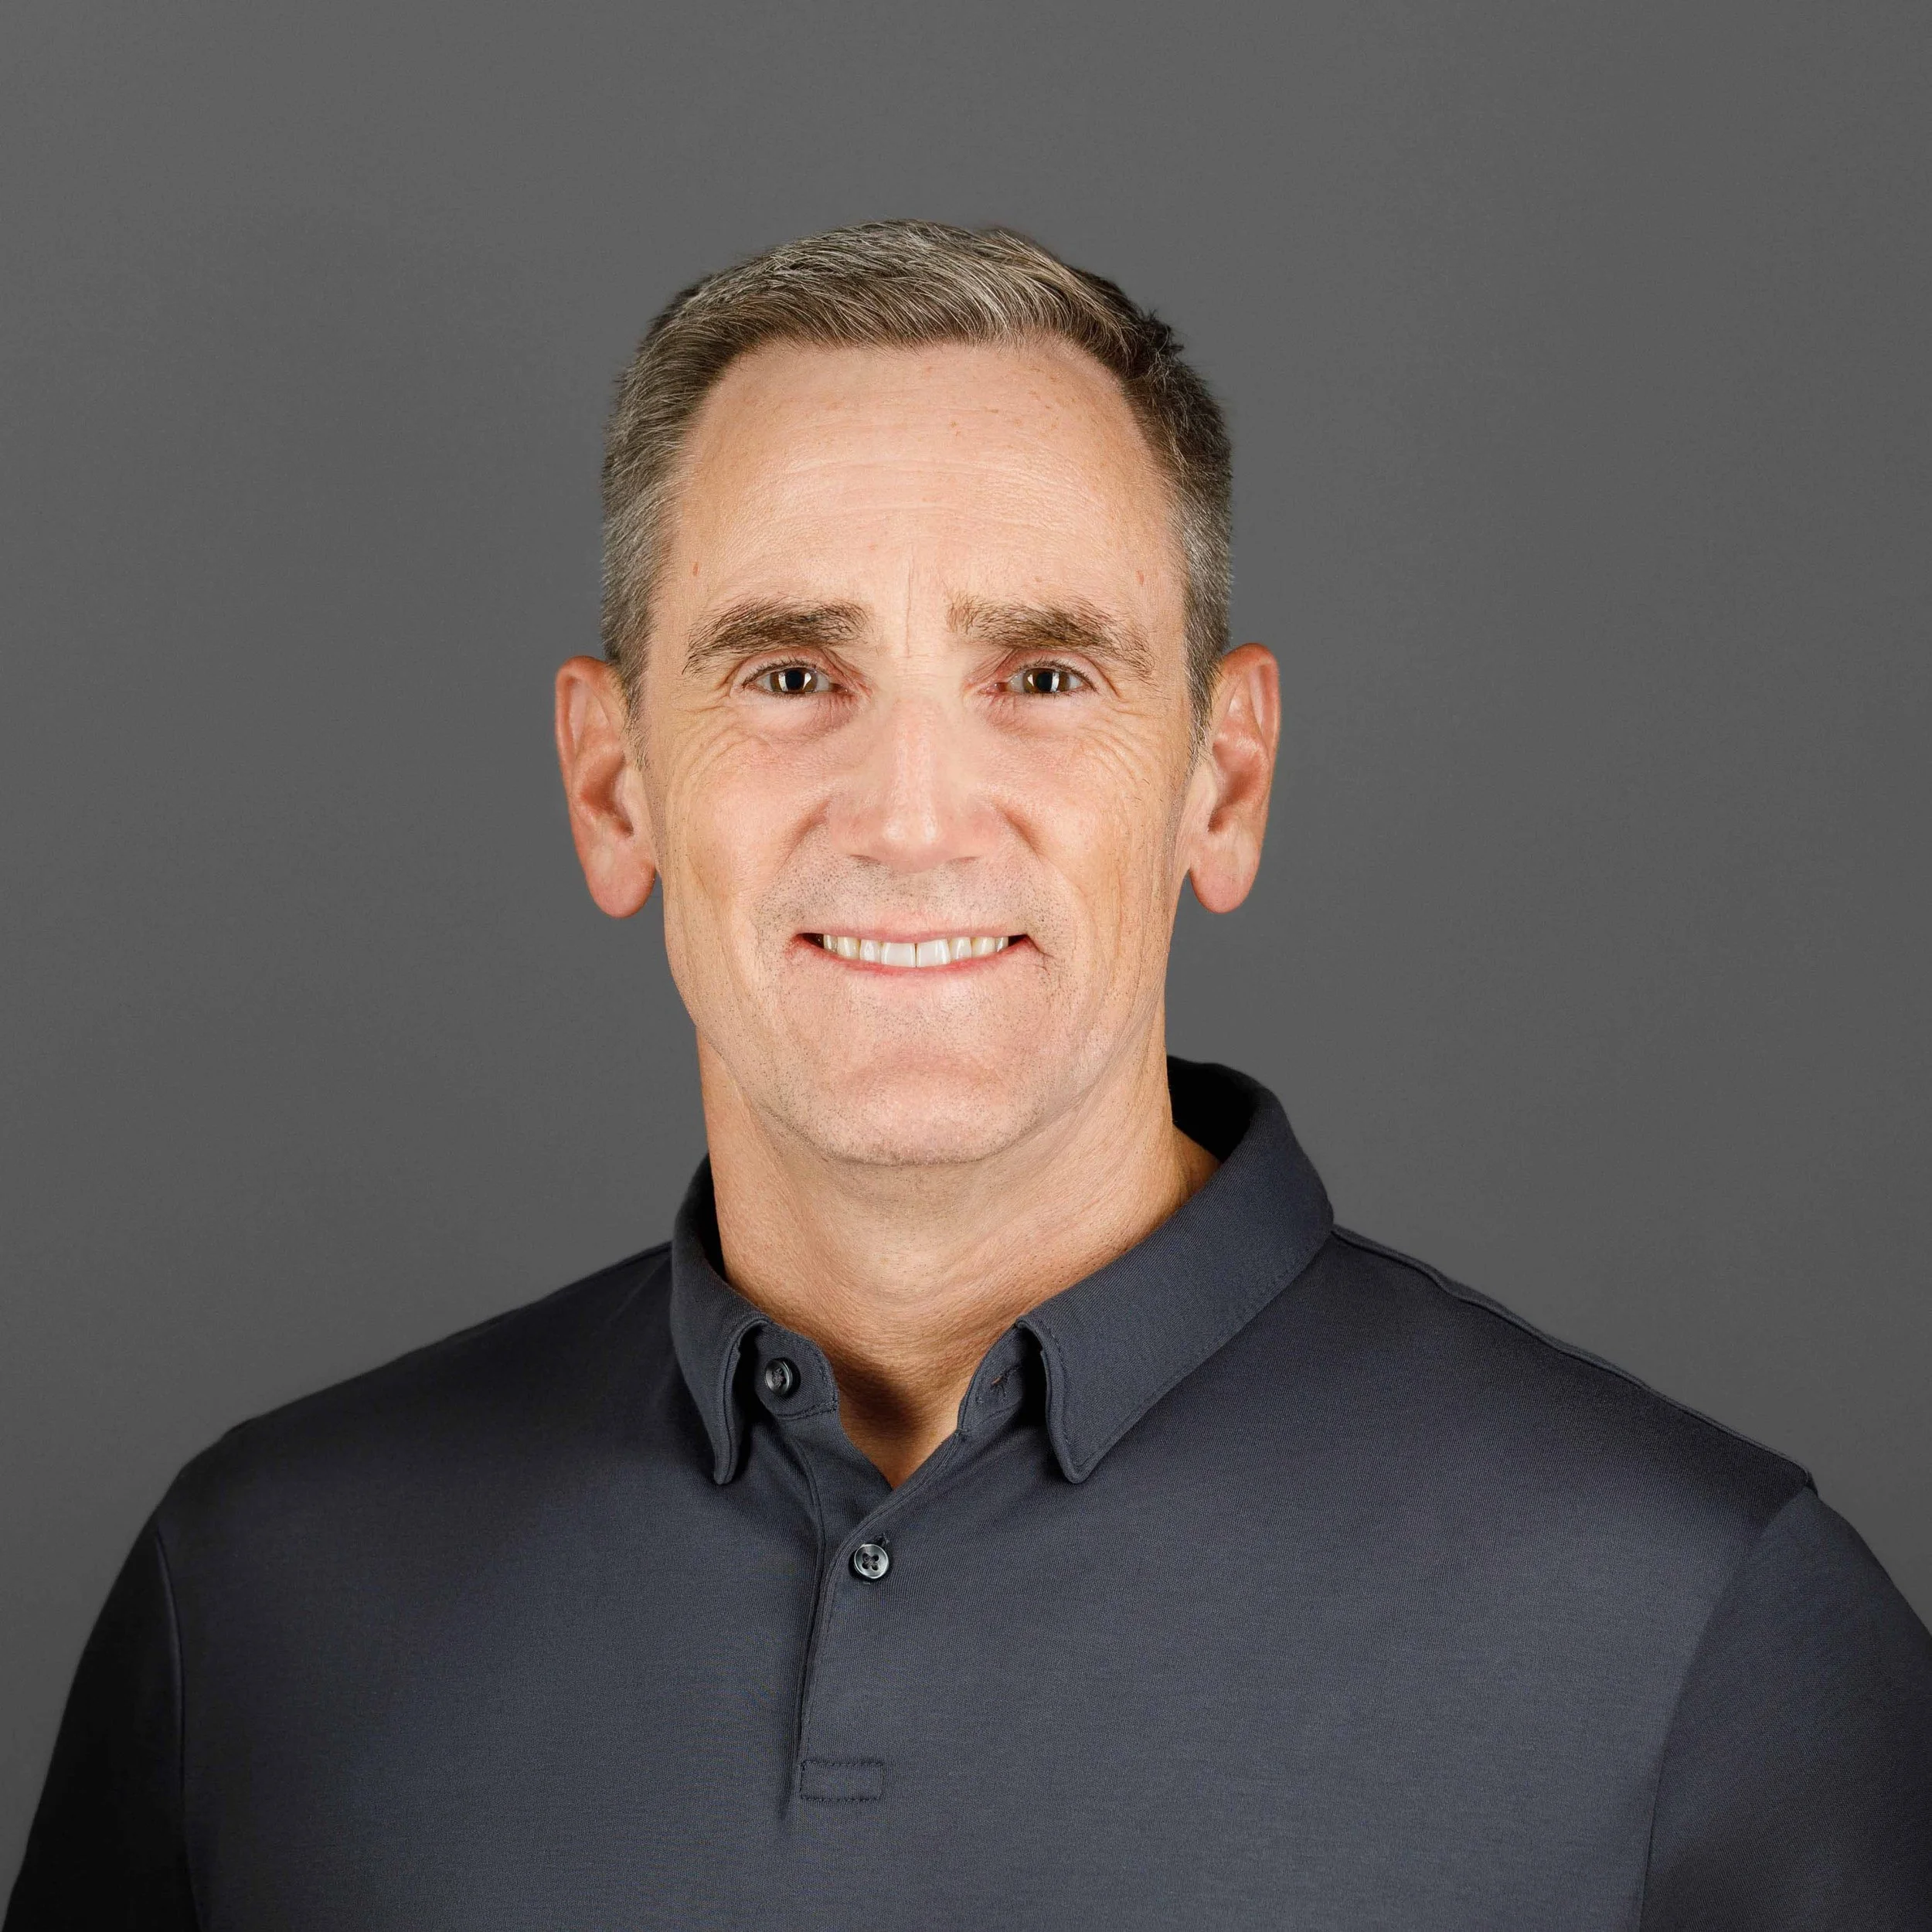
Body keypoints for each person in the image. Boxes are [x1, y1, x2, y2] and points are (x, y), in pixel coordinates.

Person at [10, 220, 1930, 1930]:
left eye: (1043, 675)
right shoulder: (258, 1597)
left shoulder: (1705, 1636)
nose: (911, 816)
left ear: (1222, 781)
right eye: (789, 674)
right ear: (612, 787)